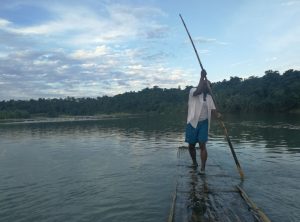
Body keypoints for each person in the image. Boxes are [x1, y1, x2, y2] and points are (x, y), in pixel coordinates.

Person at [185, 69, 220, 174]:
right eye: (206, 85)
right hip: (192, 122)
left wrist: (218, 115)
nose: (208, 87)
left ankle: (203, 168)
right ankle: (194, 162)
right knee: (191, 145)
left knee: (202, 145)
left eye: (209, 86)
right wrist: (202, 77)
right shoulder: (192, 91)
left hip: (204, 123)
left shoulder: (209, 98)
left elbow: (213, 110)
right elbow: (198, 91)